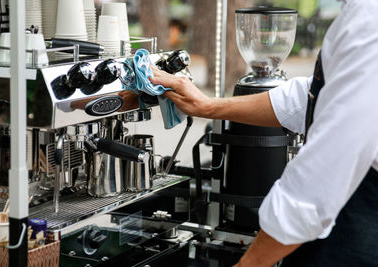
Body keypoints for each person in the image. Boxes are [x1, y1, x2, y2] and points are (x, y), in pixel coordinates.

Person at [149, 0, 378, 266]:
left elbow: (321, 176)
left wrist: (249, 264)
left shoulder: (369, 17)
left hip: (360, 223)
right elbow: (314, 94)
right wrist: (209, 106)